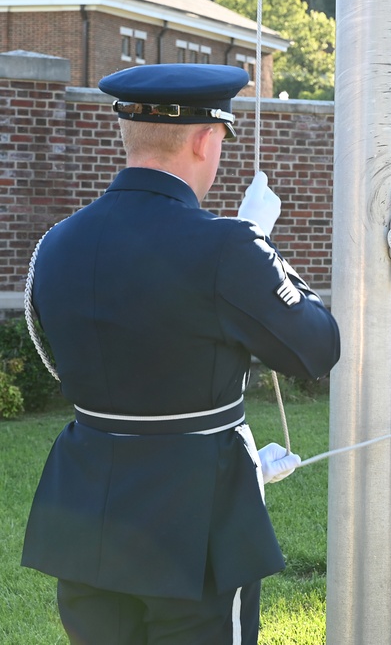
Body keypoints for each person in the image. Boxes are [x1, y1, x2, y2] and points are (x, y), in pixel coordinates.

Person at [20, 63, 341, 645]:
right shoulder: (227, 246)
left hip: (87, 513)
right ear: (204, 138)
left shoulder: (56, 243)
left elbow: (58, 357)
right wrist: (260, 245)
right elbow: (316, 348)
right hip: (196, 520)